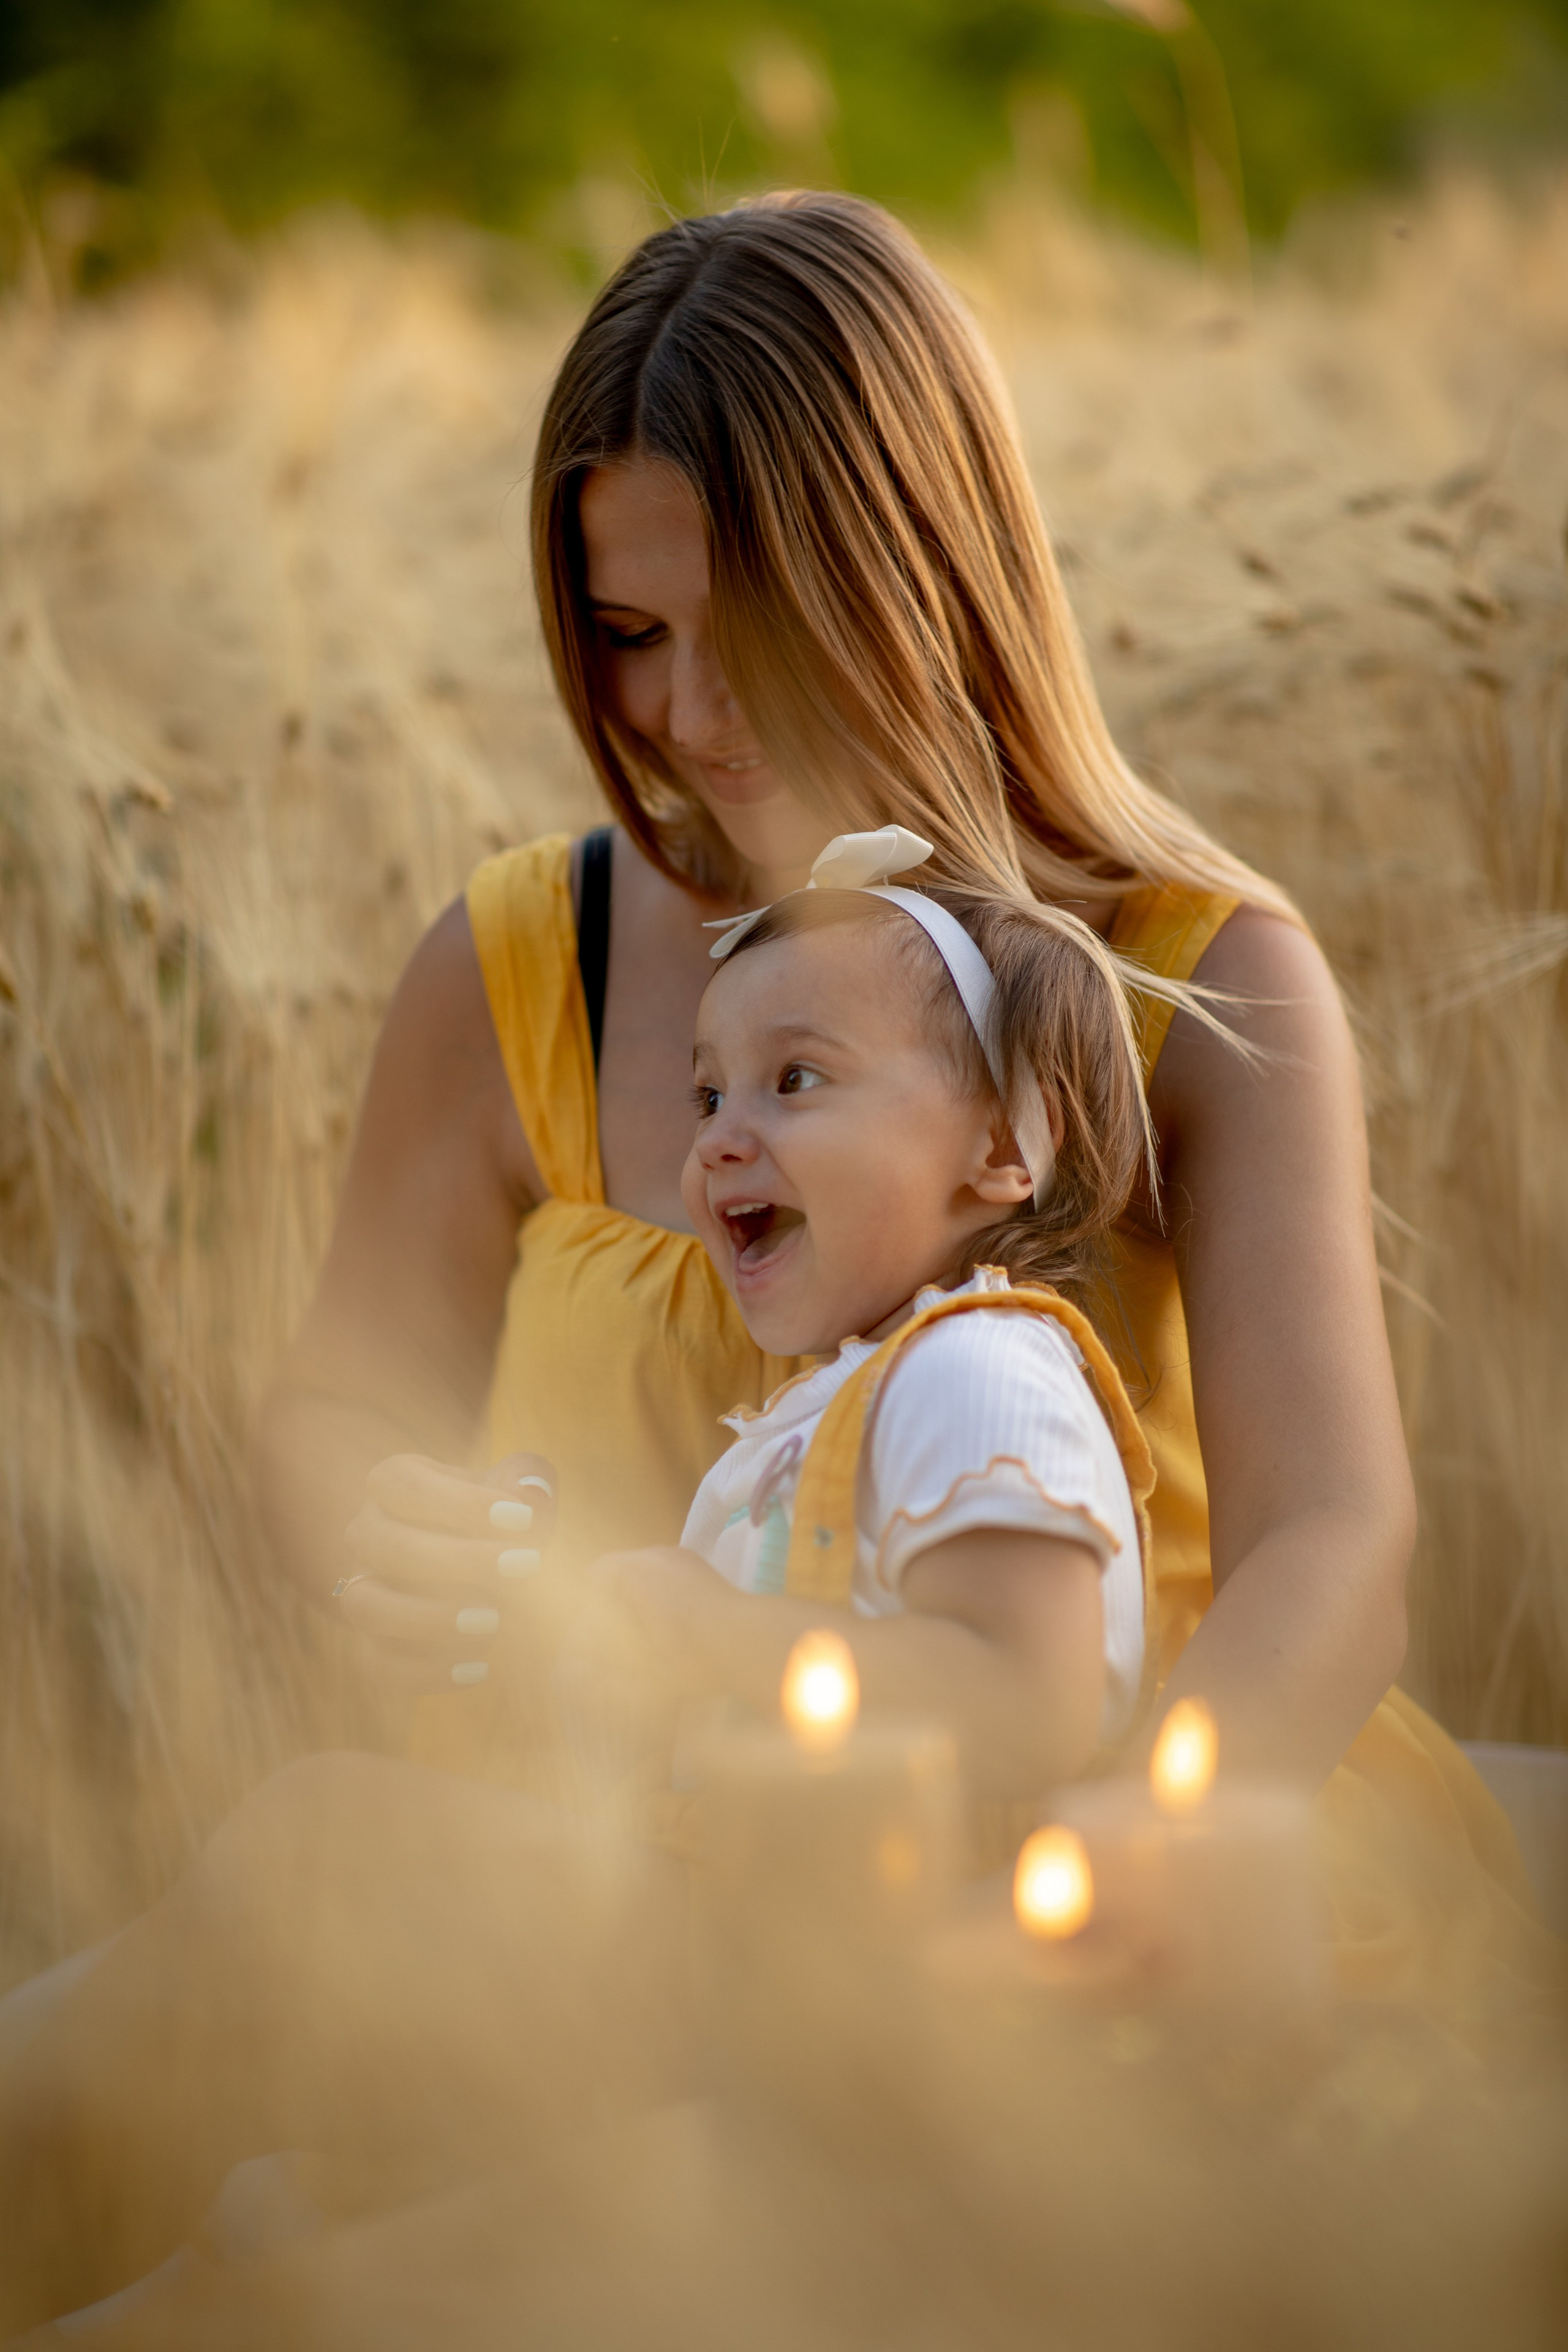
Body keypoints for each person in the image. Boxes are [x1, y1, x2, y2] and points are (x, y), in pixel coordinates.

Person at [254, 187, 1416, 1801]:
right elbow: (336, 1412)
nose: (692, 709)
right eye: (629, 632)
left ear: (920, 563)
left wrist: (1143, 1845)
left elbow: (1333, 1538)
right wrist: (390, 1534)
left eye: (761, 625)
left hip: (1075, 1890)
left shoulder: (1198, 976)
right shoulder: (524, 961)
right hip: (564, 1896)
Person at [0, 838, 1179, 2329]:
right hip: (744, 1952)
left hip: (864, 1991)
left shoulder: (986, 1368)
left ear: (1004, 1151)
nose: (720, 1141)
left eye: (794, 1082)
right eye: (705, 1095)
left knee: (325, 1851)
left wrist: (705, 1637)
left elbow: (1028, 1691)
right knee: (322, 1906)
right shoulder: (839, 1400)